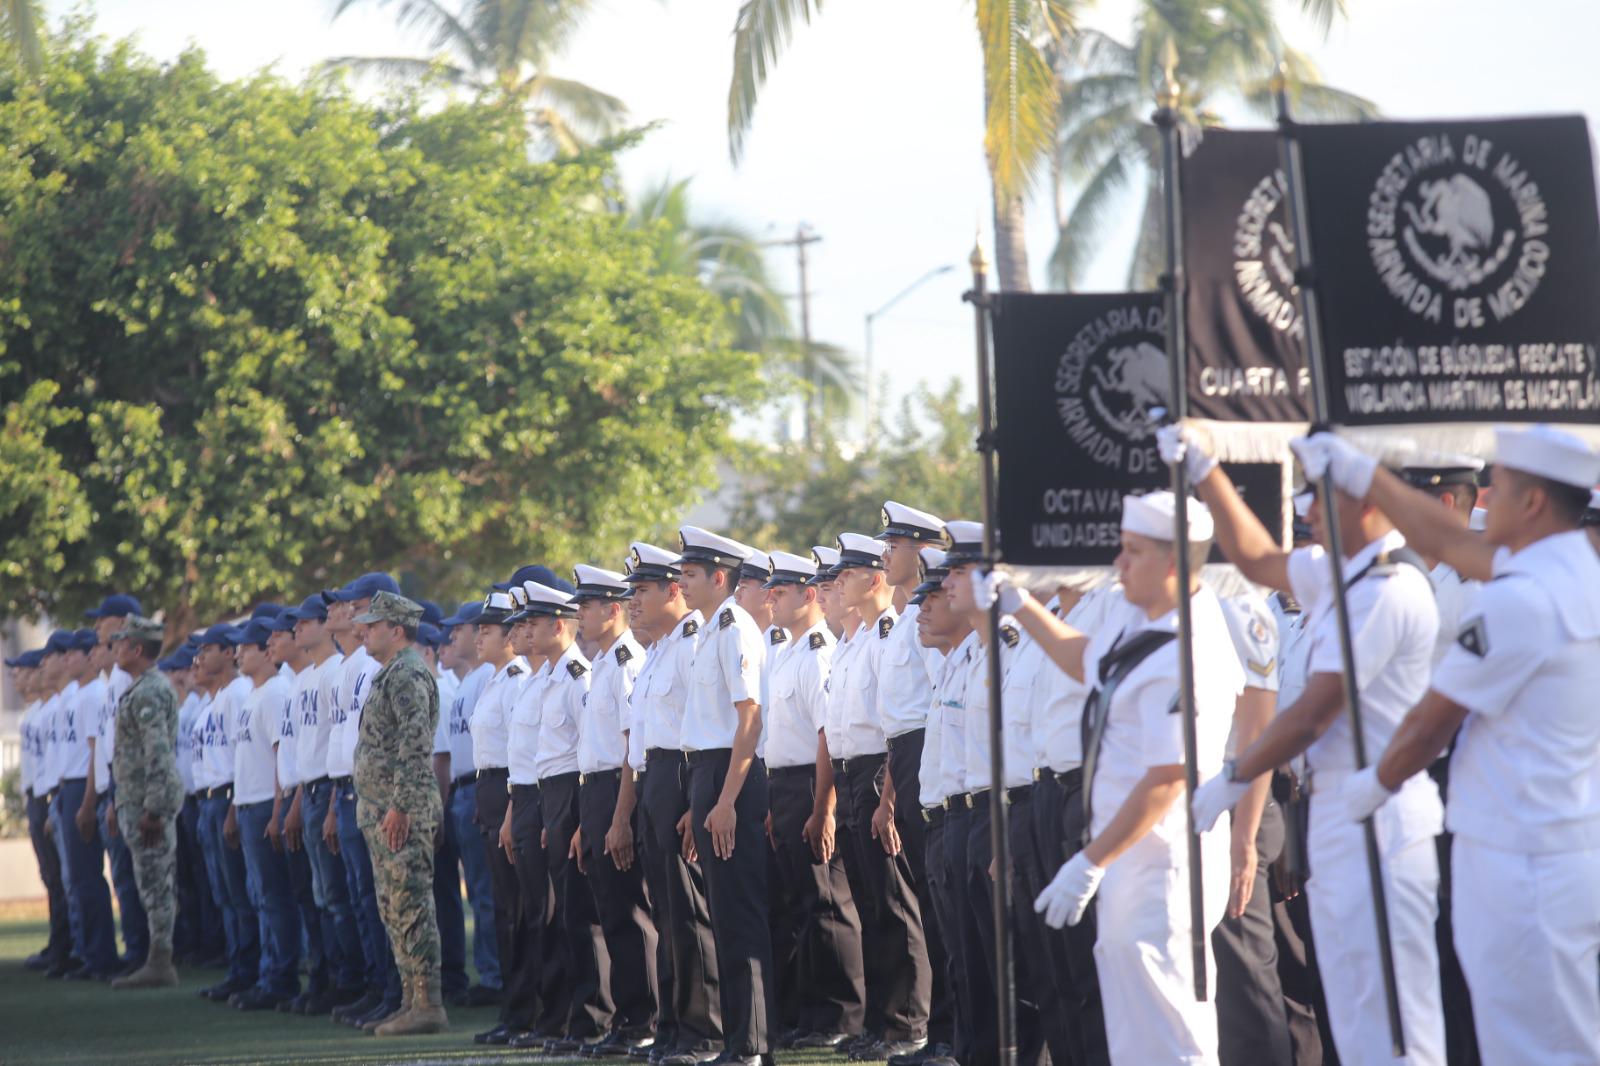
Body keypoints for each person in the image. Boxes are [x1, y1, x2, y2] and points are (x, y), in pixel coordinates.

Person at [1300, 425, 1600, 1066]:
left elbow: (1428, 723)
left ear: (1533, 504)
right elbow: (1443, 539)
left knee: (1528, 1045)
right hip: (1552, 849)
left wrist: (1371, 786)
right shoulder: (1571, 570)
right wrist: (1365, 475)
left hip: (1520, 865)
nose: (1489, 494)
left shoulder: (1522, 600)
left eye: (1505, 486)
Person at [1169, 424, 1449, 1066]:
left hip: (1382, 817)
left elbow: (1311, 713)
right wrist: (1207, 472)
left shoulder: (1388, 588)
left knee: (1395, 1019)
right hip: (1333, 813)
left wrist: (1233, 777)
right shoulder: (1338, 572)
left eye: (1324, 498)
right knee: (1351, 1003)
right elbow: (1254, 558)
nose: (1309, 513)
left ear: (1370, 500)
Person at [1003, 492, 1240, 1065]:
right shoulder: (1142, 621)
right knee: (1134, 1033)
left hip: (1164, 866)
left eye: (1132, 552)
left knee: (1171, 1031)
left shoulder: (1191, 645)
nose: (1119, 563)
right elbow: (1087, 660)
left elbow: (1168, 776)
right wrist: (1019, 605)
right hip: (1127, 861)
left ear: (1172, 563)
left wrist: (1089, 861)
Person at [828, 531, 932, 1063]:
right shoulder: (858, 641)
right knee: (871, 903)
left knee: (897, 902)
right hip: (856, 774)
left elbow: (895, 723)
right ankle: (882, 1020)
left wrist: (887, 794)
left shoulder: (890, 631)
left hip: (879, 771)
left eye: (845, 575)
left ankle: (909, 1020)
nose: (837, 584)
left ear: (871, 579)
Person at [674, 525, 773, 1066]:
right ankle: (741, 1041)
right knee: (724, 917)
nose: (682, 583)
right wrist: (702, 802)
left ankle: (752, 1047)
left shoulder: (735, 628)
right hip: (707, 775)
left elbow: (749, 720)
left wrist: (727, 800)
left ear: (719, 577)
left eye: (690, 574)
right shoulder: (710, 629)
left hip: (729, 775)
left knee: (740, 916)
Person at [761, 550, 866, 1050]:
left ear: (807, 596)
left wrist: (823, 808)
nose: (771, 600)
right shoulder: (788, 651)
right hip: (782, 786)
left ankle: (841, 1017)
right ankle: (813, 1013)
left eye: (780, 592)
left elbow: (826, 734)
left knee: (827, 903)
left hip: (811, 784)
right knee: (803, 905)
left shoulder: (819, 652)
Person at [625, 541, 723, 1065]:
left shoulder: (689, 644)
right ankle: (672, 1028)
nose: (633, 602)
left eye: (642, 591)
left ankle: (703, 1033)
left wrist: (692, 802)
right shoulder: (659, 650)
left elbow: (698, 730)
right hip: (653, 780)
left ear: (672, 591)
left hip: (682, 777)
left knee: (690, 912)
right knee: (666, 912)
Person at [873, 503, 953, 1066]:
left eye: (893, 544)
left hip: (928, 753)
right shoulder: (907, 617)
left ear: (922, 549)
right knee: (929, 903)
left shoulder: (928, 616)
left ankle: (948, 1034)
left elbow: (939, 704)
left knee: (942, 907)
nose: (884, 554)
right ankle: (941, 1032)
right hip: (905, 756)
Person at [571, 564, 660, 1056]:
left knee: (631, 911)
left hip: (617, 790)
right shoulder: (604, 661)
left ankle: (644, 1018)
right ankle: (628, 1016)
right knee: (610, 910)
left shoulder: (626, 661)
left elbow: (631, 750)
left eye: (587, 605)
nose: (580, 614)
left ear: (611, 609)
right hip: (595, 792)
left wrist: (620, 818)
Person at [283, 592, 367, 1015]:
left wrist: (330, 801)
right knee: (325, 895)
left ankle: (350, 981)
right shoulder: (310, 676)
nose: (298, 628)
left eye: (304, 621)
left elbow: (342, 746)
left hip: (333, 790)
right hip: (320, 791)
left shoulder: (340, 670)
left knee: (344, 896)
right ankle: (332, 977)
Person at [469, 589, 541, 1047]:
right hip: (492, 792)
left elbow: (522, 753)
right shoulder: (496, 679)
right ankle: (514, 1011)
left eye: (489, 629)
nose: (481, 637)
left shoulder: (516, 679)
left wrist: (511, 810)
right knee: (503, 911)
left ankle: (528, 1012)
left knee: (521, 910)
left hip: (512, 792)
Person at [102, 616, 184, 989]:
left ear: (137, 649)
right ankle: (157, 958)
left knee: (155, 883)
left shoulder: (148, 692)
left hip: (147, 805)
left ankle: (160, 962)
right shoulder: (143, 688)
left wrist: (152, 809)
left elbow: (158, 754)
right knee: (151, 881)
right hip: (136, 800)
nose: (115, 649)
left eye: (121, 643)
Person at [228, 619, 302, 1009]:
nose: (239, 653)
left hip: (264, 806)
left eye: (247, 646)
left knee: (275, 897)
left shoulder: (275, 693)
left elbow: (280, 759)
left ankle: (281, 978)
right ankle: (268, 972)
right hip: (248, 805)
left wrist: (277, 811)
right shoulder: (254, 695)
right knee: (261, 897)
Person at [437, 600, 503, 1008]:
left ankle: (495, 975)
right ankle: (490, 971)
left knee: (485, 891)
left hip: (477, 787)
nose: (455, 637)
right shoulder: (466, 682)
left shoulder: (486, 679)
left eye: (459, 629)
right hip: (463, 790)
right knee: (478, 891)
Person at [193, 622, 263, 1003]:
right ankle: (238, 968)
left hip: (229, 797)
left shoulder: (238, 694)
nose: (199, 658)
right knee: (226, 893)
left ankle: (249, 970)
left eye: (207, 649)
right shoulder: (217, 699)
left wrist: (233, 807)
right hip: (210, 798)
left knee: (242, 892)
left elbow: (241, 758)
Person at [86, 593, 150, 977]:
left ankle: (143, 954)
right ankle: (136, 951)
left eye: (103, 621)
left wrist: (119, 795)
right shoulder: (113, 679)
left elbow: (133, 746)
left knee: (138, 875)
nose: (97, 628)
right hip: (117, 785)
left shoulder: (130, 677)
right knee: (124, 876)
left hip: (130, 785)